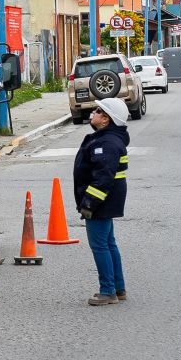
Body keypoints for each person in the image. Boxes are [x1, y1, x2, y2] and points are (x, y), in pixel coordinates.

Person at [74, 96, 130, 306]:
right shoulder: (106, 139)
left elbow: (103, 178)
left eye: (97, 111)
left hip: (101, 201)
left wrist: (89, 204)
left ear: (106, 119)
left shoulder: (106, 143)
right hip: (107, 200)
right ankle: (118, 288)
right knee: (108, 243)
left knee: (100, 246)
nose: (93, 113)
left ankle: (108, 291)